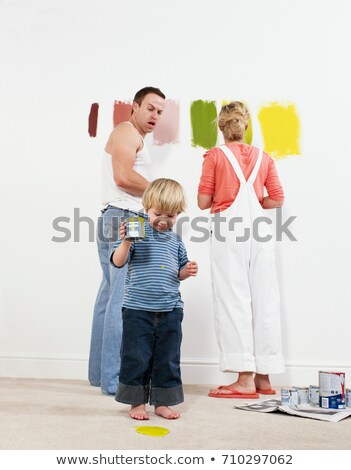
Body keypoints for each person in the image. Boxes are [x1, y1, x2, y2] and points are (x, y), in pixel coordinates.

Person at [197, 101, 285, 398]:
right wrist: (255, 202)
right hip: (259, 233)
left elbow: (203, 201)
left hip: (229, 231)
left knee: (233, 297)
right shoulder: (265, 158)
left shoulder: (214, 156)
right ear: (245, 126)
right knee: (265, 299)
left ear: (222, 127)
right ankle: (264, 377)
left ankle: (244, 379)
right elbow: (277, 199)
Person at [89, 87, 166, 395]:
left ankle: (100, 375)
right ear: (135, 107)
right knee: (121, 298)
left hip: (115, 216)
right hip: (126, 219)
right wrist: (161, 191)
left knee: (109, 295)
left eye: (160, 112)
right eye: (150, 108)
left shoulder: (132, 136)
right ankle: (115, 380)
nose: (155, 116)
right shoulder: (126, 131)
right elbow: (122, 176)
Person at [111, 178, 198, 420]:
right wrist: (126, 242)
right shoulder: (137, 231)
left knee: (167, 358)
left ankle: (163, 402)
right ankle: (136, 402)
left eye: (170, 215)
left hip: (170, 308)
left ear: (178, 214)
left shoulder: (176, 240)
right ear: (146, 208)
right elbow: (118, 262)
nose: (163, 220)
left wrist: (186, 271)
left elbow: (178, 273)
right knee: (136, 356)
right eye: (157, 213)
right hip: (138, 308)